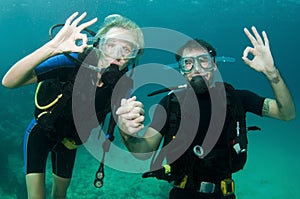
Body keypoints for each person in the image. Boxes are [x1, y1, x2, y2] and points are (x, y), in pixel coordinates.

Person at [116, 26, 295, 199]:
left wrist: (272, 73)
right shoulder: (170, 104)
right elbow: (142, 149)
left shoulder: (236, 98)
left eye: (203, 60)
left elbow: (286, 114)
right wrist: (125, 131)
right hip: (181, 192)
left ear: (214, 65)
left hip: (223, 194)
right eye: (187, 63)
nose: (196, 68)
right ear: (181, 70)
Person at [2, 11, 144, 199]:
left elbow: (125, 128)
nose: (116, 55)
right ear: (98, 44)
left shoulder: (123, 86)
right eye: (110, 45)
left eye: (127, 49)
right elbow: (9, 81)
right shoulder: (71, 62)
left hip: (70, 143)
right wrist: (53, 47)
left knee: (60, 195)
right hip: (41, 133)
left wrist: (130, 128)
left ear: (134, 56)